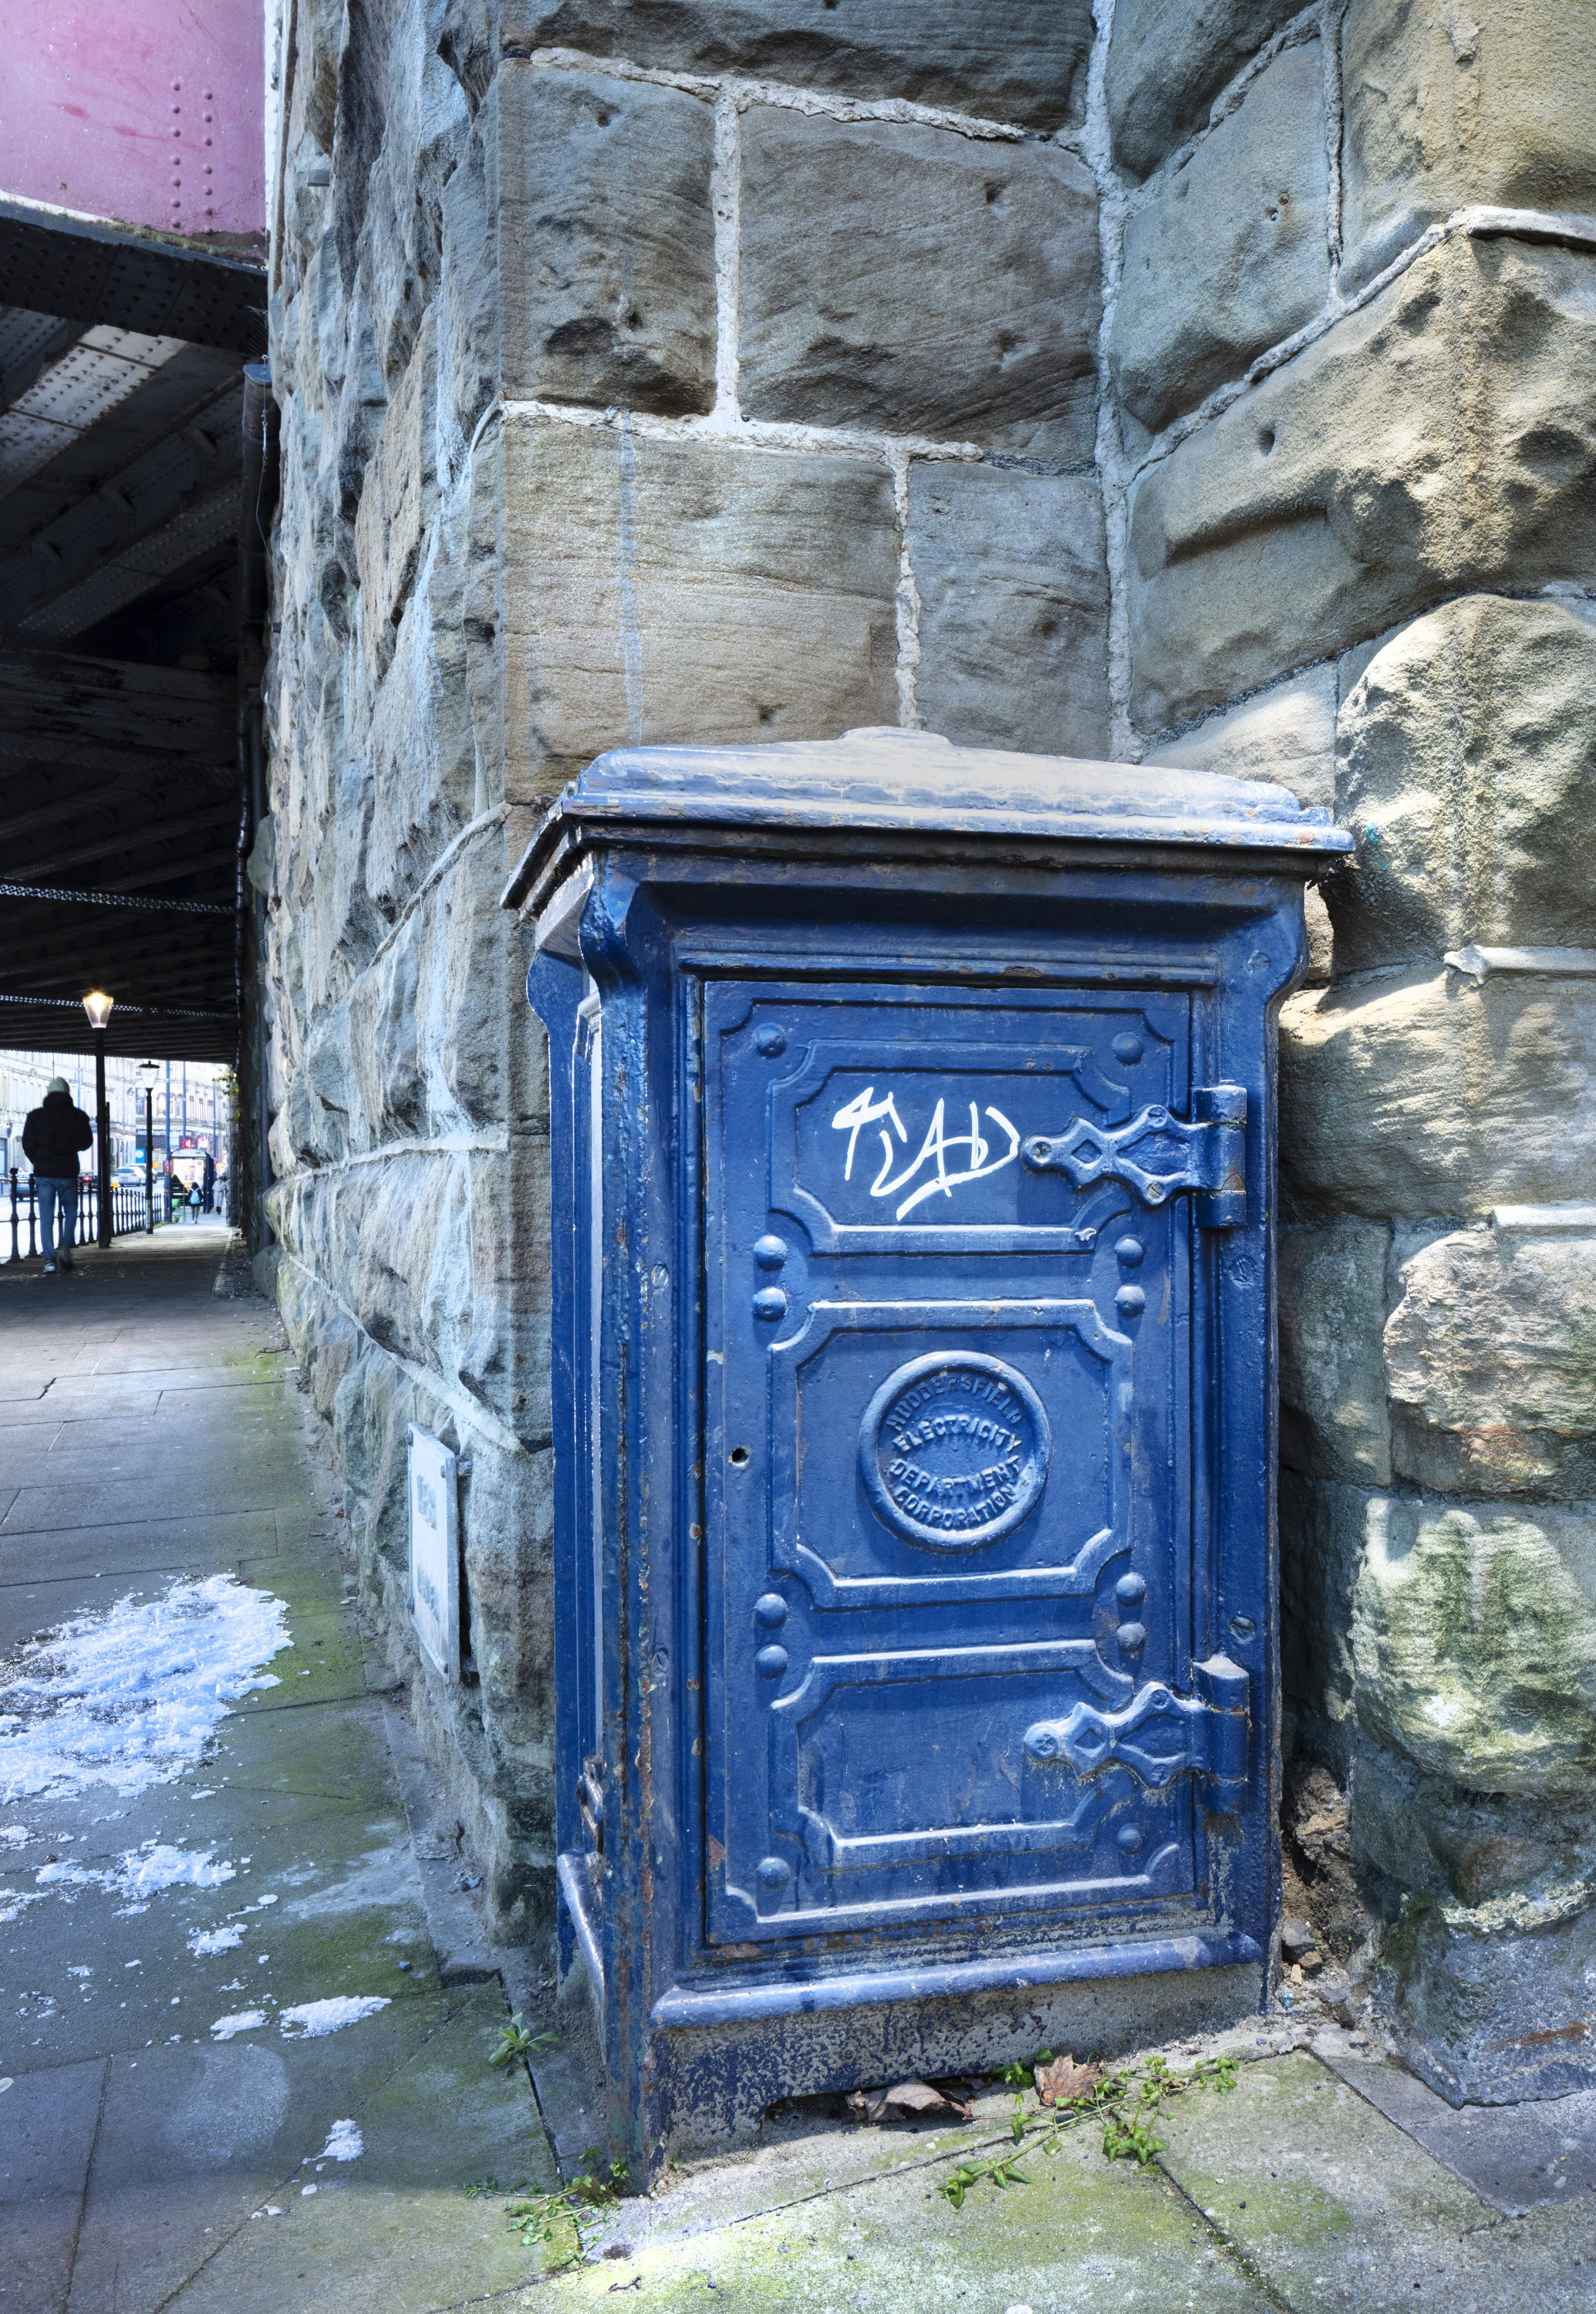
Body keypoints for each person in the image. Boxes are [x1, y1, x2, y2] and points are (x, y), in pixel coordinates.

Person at [21, 1076, 93, 1274]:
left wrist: (38, 1160)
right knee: (71, 1211)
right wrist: (71, 1149)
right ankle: (65, 1247)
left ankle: (49, 1261)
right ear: (67, 1093)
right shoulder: (78, 1116)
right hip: (67, 1171)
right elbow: (87, 1142)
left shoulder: (35, 1116)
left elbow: (27, 1143)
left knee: (46, 1217)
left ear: (49, 1094)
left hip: (44, 1174)